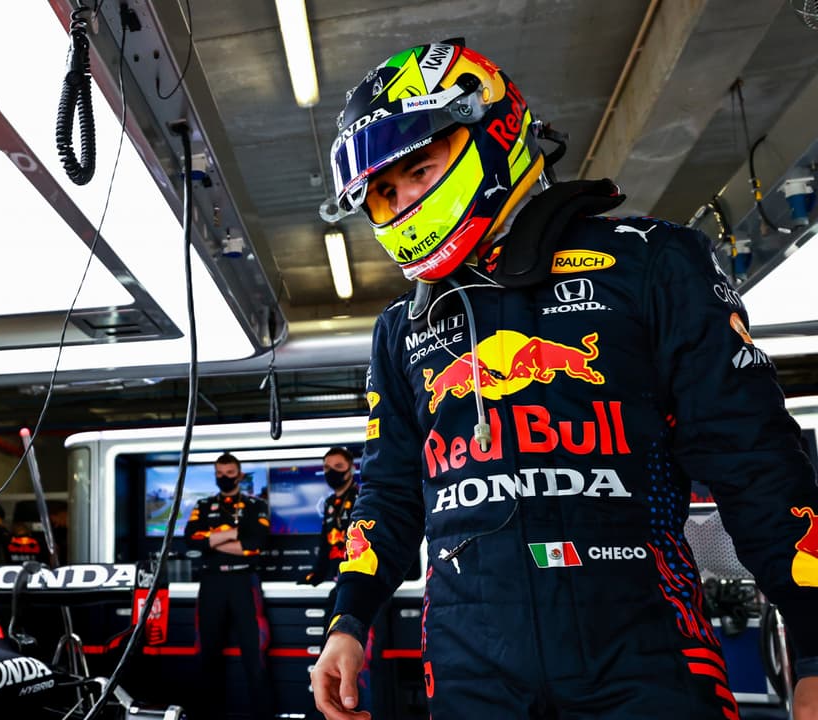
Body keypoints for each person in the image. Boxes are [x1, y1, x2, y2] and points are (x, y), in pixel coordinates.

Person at [311, 40, 818, 720]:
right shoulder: (402, 328)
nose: (402, 201)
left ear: (491, 131)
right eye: (382, 194)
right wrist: (347, 621)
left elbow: (754, 461)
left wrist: (813, 650)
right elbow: (391, 492)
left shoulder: (651, 263)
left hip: (643, 652)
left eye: (418, 170)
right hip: (471, 663)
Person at [182, 453, 272, 720]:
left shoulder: (256, 505)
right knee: (207, 655)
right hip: (211, 583)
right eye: (219, 473)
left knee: (254, 655)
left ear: (240, 475)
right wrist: (233, 534)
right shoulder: (203, 504)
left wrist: (212, 541)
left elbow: (255, 545)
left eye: (230, 473)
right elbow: (192, 540)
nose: (224, 477)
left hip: (244, 581)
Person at [300, 447, 359, 588]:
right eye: (327, 468)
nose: (331, 472)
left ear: (351, 469)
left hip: (359, 579)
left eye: (338, 466)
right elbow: (325, 543)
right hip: (339, 578)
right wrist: (317, 574)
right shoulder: (329, 503)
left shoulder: (363, 499)